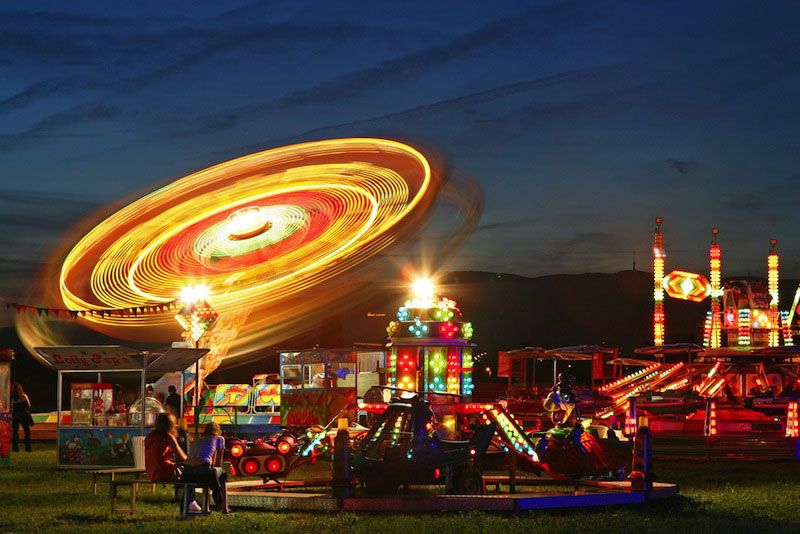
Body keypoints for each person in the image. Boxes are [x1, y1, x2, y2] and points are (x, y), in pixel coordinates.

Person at [182, 422, 229, 513]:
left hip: (187, 472)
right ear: (218, 431)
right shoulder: (219, 438)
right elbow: (218, 463)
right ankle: (224, 507)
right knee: (222, 474)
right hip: (202, 470)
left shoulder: (199, 440)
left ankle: (206, 507)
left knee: (210, 473)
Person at [144, 413, 187, 482]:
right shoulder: (168, 436)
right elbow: (182, 457)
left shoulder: (150, 436)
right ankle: (188, 492)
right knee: (189, 473)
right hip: (163, 472)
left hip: (152, 472)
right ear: (171, 424)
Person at [11, 383, 32, 452]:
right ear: (21, 389)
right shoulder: (24, 396)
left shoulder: (12, 398)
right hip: (24, 415)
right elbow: (29, 405)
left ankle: (15, 448)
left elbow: (11, 408)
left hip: (16, 415)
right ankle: (28, 448)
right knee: (27, 432)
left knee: (15, 432)